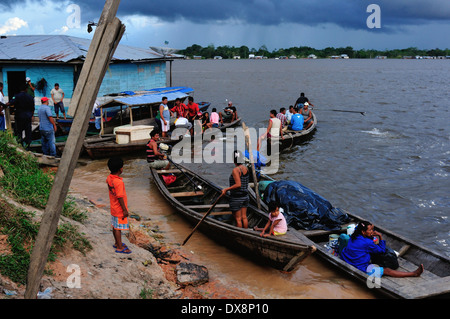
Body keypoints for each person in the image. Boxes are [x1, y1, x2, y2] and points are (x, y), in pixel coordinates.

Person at [340, 221, 424, 278]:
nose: (372, 231)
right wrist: (379, 236)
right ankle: (414, 273)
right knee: (387, 270)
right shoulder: (367, 242)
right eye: (370, 230)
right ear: (363, 232)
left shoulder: (354, 235)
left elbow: (363, 239)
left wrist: (370, 234)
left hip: (346, 258)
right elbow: (381, 250)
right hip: (359, 266)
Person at [106, 157, 132, 254]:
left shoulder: (109, 178)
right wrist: (125, 210)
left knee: (115, 226)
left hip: (113, 207)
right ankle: (120, 247)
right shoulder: (119, 182)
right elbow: (120, 196)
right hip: (119, 209)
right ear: (120, 169)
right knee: (118, 228)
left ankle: (117, 243)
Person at [221, 150, 249, 228]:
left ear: (234, 160)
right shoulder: (246, 168)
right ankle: (246, 233)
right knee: (244, 217)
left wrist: (226, 189)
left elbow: (238, 184)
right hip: (245, 196)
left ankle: (239, 235)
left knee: (238, 219)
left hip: (237, 197)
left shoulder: (236, 170)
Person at [8, 84, 35, 148]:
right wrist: (31, 115)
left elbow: (11, 103)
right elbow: (32, 108)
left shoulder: (16, 96)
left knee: (19, 131)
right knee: (28, 131)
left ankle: (20, 145)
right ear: (26, 89)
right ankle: (28, 146)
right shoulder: (30, 97)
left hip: (19, 116)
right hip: (28, 117)